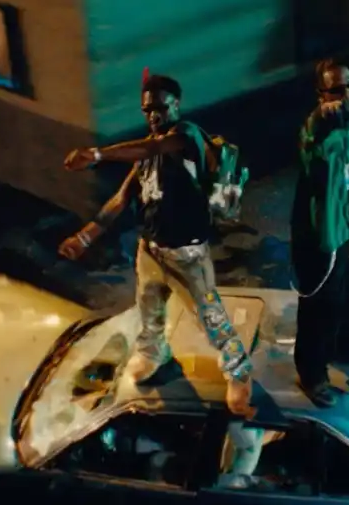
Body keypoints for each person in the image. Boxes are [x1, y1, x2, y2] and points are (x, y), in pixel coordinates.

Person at [58, 72, 255, 417]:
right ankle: (153, 354)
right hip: (150, 251)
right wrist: (85, 236)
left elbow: (154, 146)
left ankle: (239, 371)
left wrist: (97, 154)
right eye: (147, 110)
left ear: (176, 105)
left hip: (187, 255)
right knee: (149, 311)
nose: (153, 115)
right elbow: (121, 199)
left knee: (211, 318)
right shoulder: (146, 154)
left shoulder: (185, 137)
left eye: (160, 108)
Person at [290, 60, 349, 408]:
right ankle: (312, 374)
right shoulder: (318, 133)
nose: (347, 93)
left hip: (343, 231)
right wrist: (319, 118)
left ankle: (346, 347)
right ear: (322, 96)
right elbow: (312, 147)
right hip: (319, 239)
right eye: (336, 90)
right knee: (319, 309)